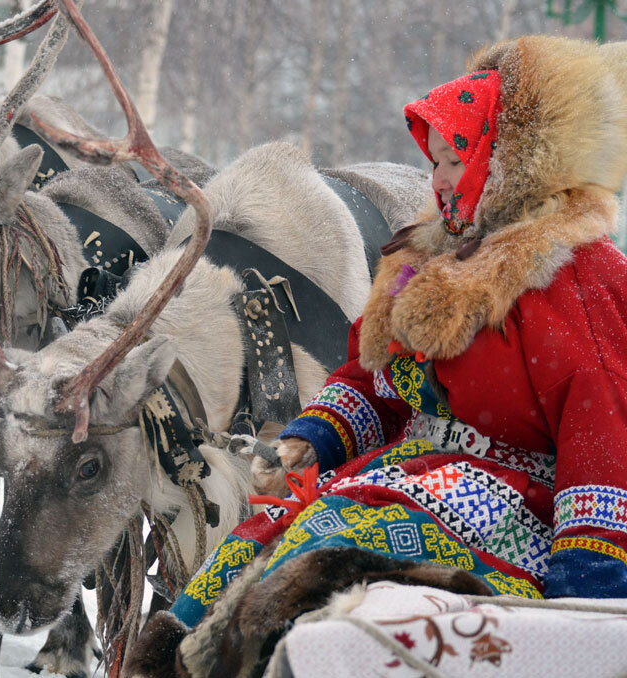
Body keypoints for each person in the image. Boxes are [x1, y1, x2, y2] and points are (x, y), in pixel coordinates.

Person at [125, 35, 627, 678]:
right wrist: (314, 439)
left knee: (333, 541)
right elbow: (376, 378)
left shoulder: (577, 275)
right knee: (248, 550)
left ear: (504, 162)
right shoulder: (426, 259)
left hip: (516, 497)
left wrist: (592, 574)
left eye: (455, 159)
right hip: (409, 475)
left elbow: (601, 422)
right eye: (435, 159)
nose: (438, 177)